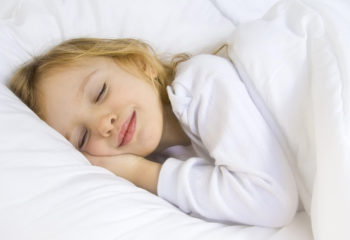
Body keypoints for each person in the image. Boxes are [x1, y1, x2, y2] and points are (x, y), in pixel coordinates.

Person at [9, 38, 298, 227]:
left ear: (140, 64)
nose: (103, 123)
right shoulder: (170, 167)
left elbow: (271, 202)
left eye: (100, 92)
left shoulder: (201, 82)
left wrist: (138, 171)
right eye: (83, 138)